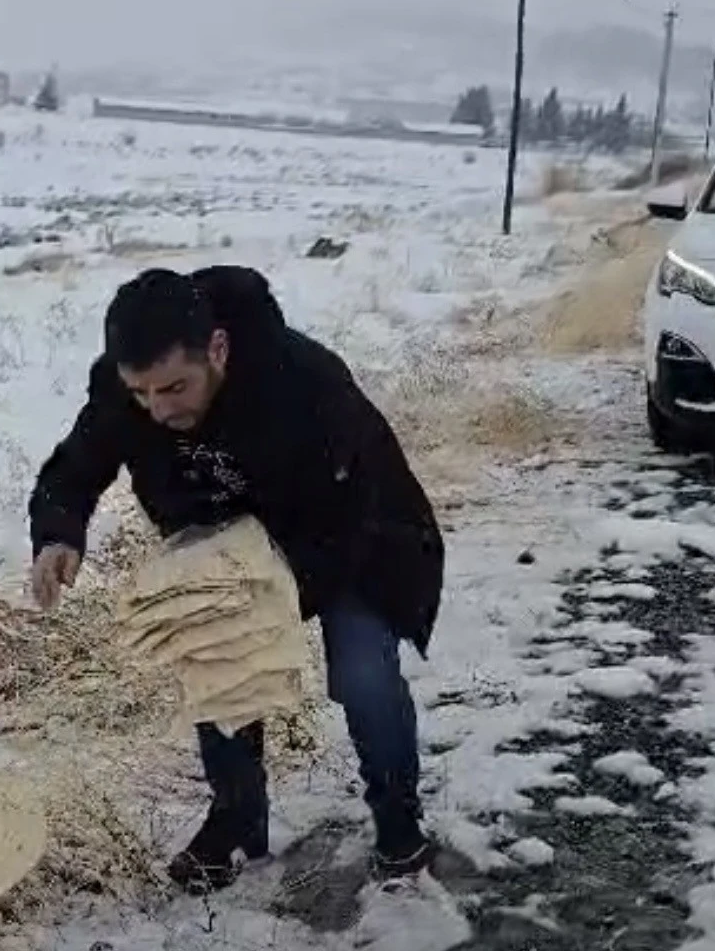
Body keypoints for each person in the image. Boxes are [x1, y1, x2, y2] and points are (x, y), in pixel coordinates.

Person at [28, 266, 444, 891]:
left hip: (358, 539)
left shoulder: (307, 383)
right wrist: (58, 533)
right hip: (228, 541)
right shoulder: (129, 390)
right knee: (216, 658)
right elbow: (77, 465)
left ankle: (397, 819)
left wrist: (267, 595)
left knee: (362, 675)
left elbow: (348, 521)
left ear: (217, 348)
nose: (157, 409)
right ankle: (237, 820)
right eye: (140, 393)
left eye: (174, 388)